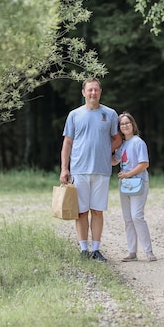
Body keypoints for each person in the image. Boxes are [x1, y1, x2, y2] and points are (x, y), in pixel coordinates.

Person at [60, 77, 122, 262]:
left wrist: (107, 152)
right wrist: (64, 168)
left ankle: (96, 249)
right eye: (90, 90)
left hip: (101, 170)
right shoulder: (74, 115)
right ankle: (83, 249)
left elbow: (117, 139)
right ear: (83, 92)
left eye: (96, 90)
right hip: (79, 170)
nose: (93, 93)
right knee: (80, 212)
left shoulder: (110, 114)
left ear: (100, 92)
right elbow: (67, 142)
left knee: (97, 211)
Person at [112, 112, 157, 262]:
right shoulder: (121, 145)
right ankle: (132, 252)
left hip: (138, 182)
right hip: (125, 184)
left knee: (137, 216)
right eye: (122, 124)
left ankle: (149, 252)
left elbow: (144, 164)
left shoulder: (138, 143)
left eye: (127, 123)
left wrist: (128, 174)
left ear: (133, 125)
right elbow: (115, 161)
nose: (125, 126)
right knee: (127, 218)